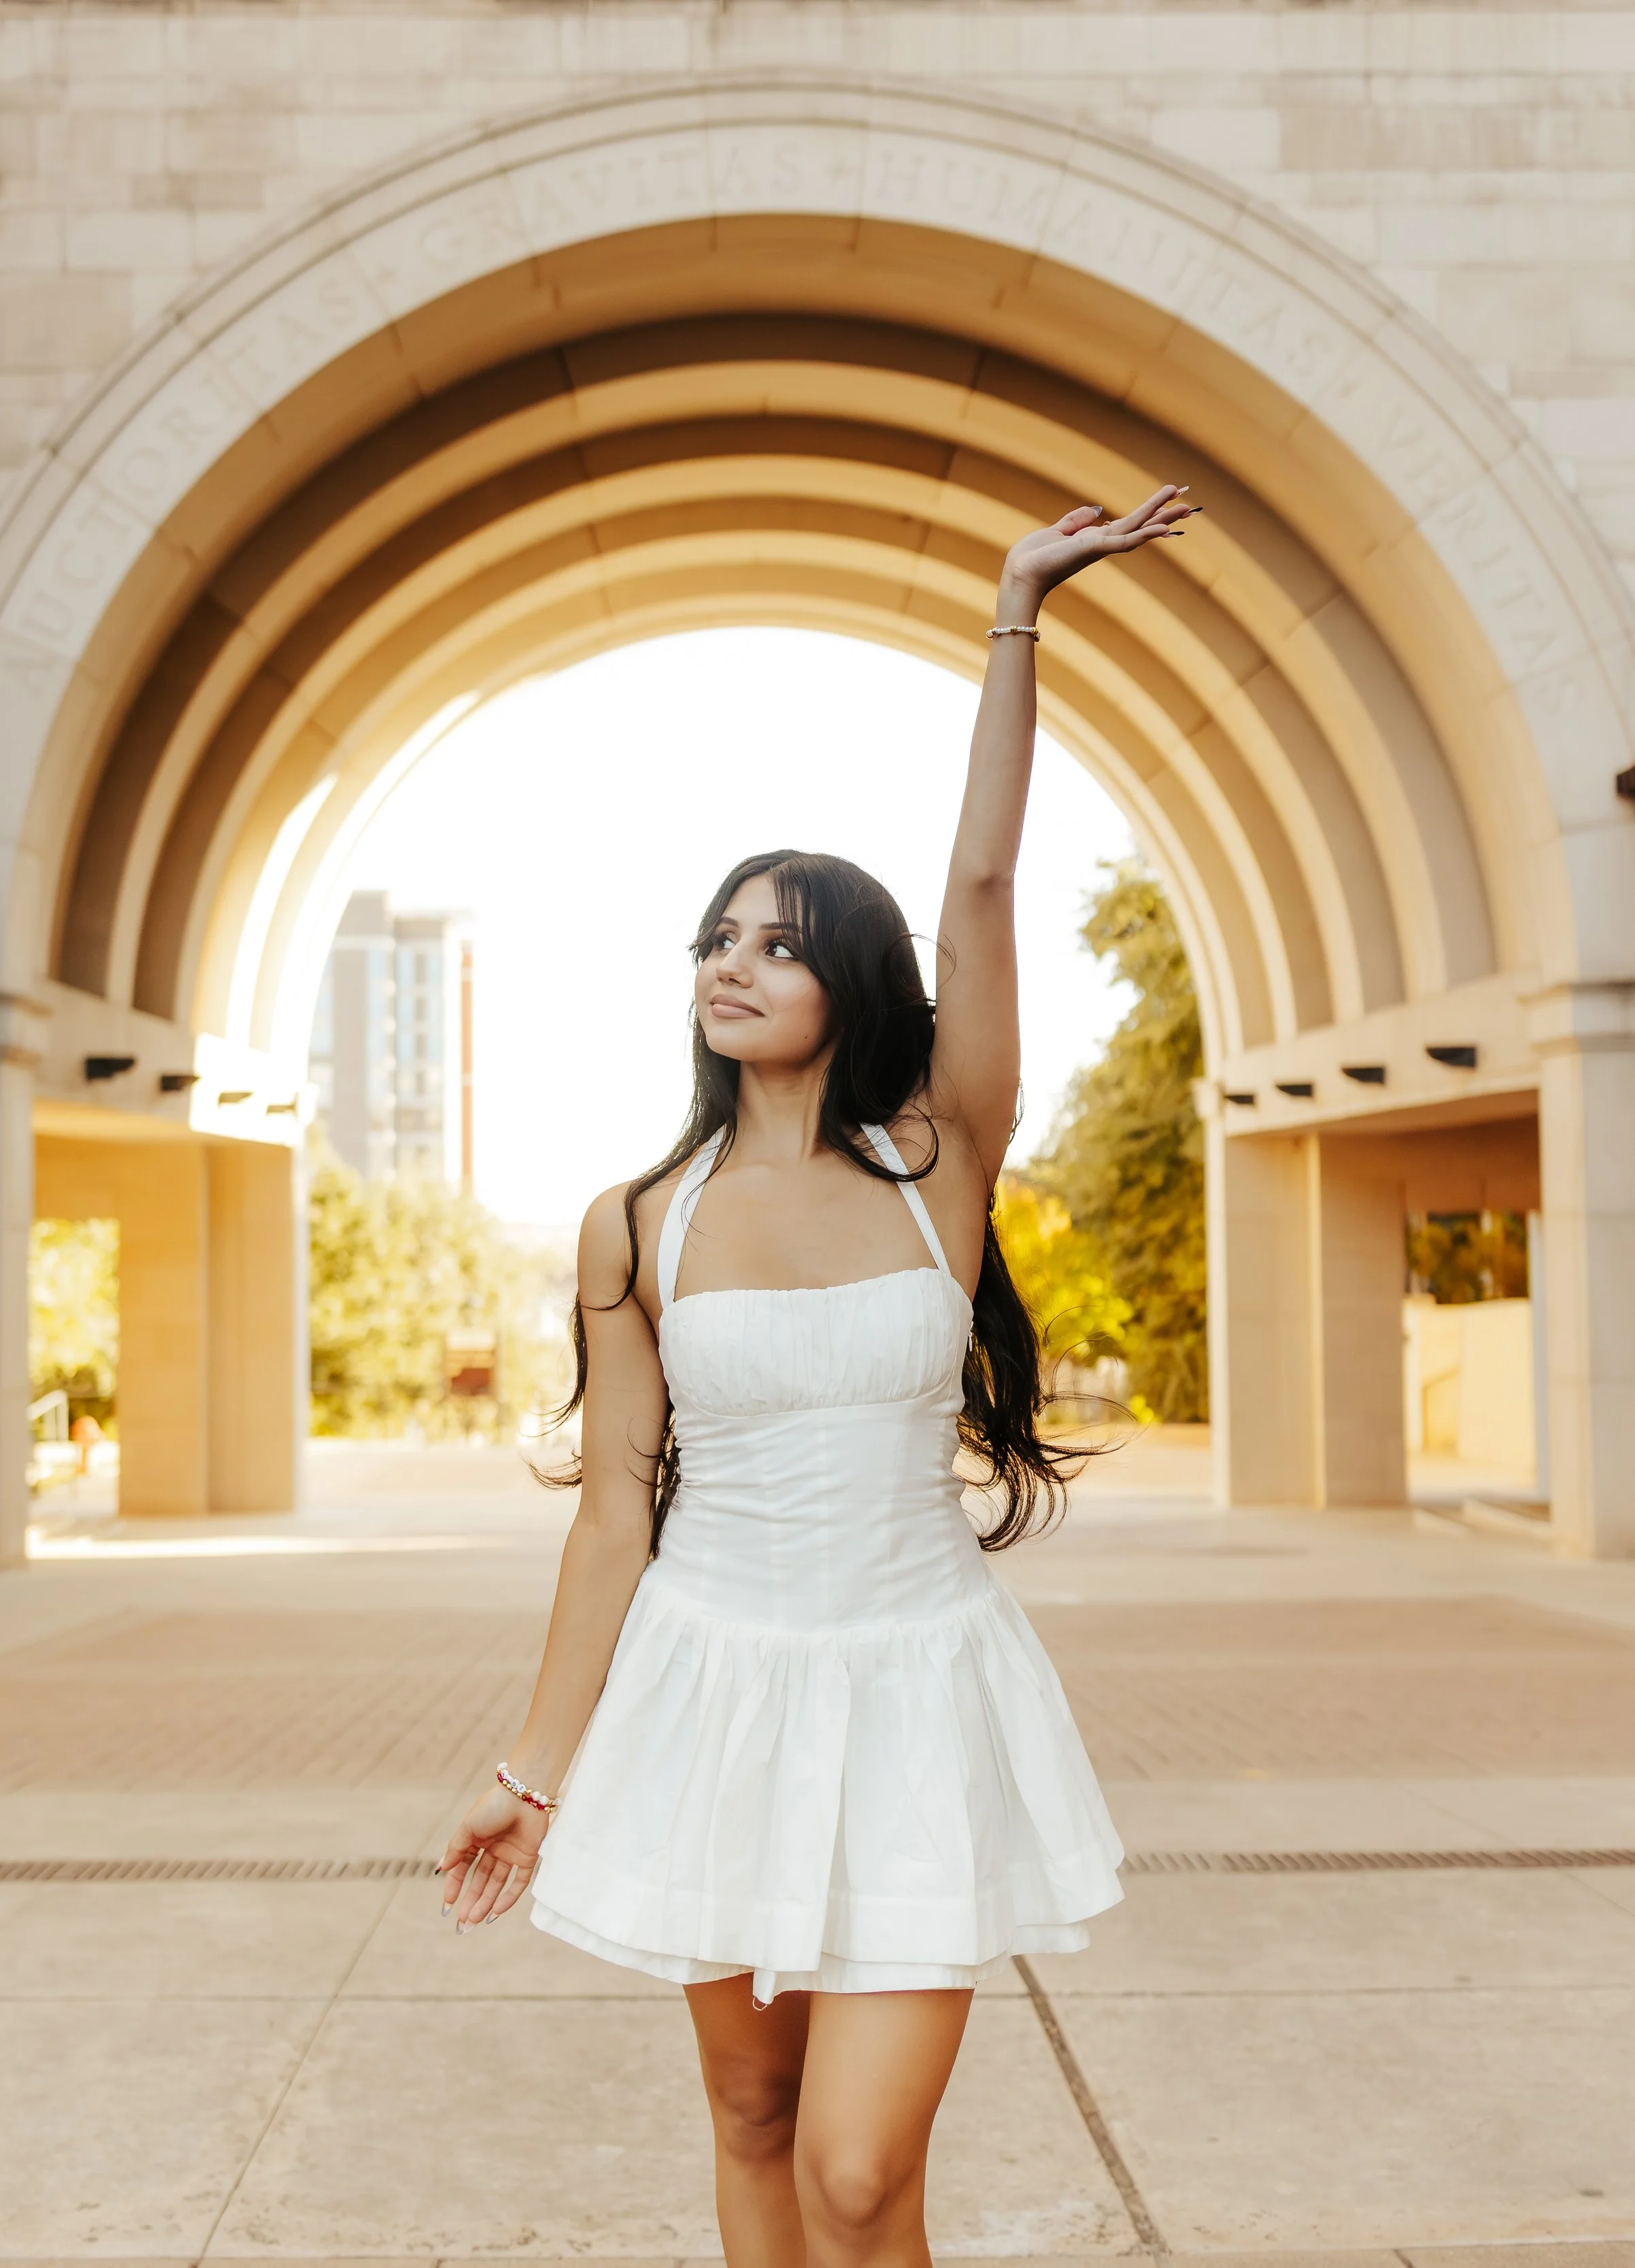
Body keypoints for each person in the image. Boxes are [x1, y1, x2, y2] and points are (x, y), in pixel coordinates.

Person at [439, 487, 1198, 2266]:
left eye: (778, 941)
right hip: (712, 1691)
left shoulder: (943, 1152)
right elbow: (615, 1517)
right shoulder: (638, 1221)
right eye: (717, 937)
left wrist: (1017, 612)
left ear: (852, 980)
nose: (733, 963)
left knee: (859, 2168)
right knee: (756, 2117)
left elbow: (982, 887)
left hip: (915, 1688)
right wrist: (531, 1772)